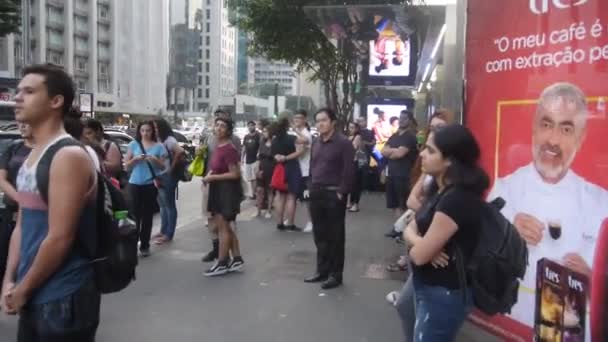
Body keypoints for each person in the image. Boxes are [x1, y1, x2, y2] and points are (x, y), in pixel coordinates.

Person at [487, 82, 608, 329]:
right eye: (546, 124)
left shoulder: (600, 201)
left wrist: (596, 282)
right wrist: (507, 233)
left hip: (572, 329)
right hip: (511, 325)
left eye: (566, 129)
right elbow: (477, 261)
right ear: (533, 129)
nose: (552, 140)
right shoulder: (505, 189)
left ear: (580, 137)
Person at [1, 64, 100, 340]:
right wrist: (9, 280)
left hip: (64, 297)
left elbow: (59, 237)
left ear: (56, 101)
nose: (17, 97)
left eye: (29, 91)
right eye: (18, 90)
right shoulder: (32, 155)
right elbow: (22, 226)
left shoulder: (68, 156)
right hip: (34, 293)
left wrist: (22, 289)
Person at [403, 124, 488, 341]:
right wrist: (421, 242)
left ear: (450, 159)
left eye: (431, 151)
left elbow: (418, 255)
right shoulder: (439, 188)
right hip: (426, 283)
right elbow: (410, 227)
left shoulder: (456, 199)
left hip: (443, 291)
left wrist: (420, 247)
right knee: (405, 308)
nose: (422, 154)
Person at [304, 108, 355, 290]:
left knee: (335, 236)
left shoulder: (343, 143)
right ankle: (322, 271)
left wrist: (342, 191)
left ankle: (336, 274)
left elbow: (349, 170)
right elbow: (312, 167)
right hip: (316, 193)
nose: (320, 124)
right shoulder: (316, 142)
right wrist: (310, 186)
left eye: (324, 120)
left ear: (333, 122)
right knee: (320, 235)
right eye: (317, 120)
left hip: (334, 194)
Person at [203, 117, 244, 276]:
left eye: (223, 126)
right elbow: (218, 168)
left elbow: (235, 174)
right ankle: (237, 257)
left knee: (223, 227)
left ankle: (222, 262)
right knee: (224, 226)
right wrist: (210, 175)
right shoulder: (218, 146)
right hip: (218, 190)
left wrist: (212, 178)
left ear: (228, 130)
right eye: (217, 125)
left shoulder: (229, 149)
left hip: (227, 192)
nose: (218, 128)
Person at [125, 121, 166, 258]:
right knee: (134, 216)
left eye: (148, 130)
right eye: (143, 130)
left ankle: (145, 245)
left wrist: (154, 159)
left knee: (147, 216)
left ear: (152, 131)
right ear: (139, 131)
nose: (145, 133)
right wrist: (135, 159)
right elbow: (126, 166)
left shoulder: (159, 146)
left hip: (149, 184)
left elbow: (162, 167)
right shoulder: (133, 145)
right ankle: (131, 245)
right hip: (134, 184)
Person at [0, 123, 32, 290]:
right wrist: (19, 197)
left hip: (35, 213)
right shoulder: (14, 148)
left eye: (27, 123)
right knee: (4, 252)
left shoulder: (46, 151)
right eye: (21, 123)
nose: (23, 126)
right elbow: (1, 179)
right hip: (11, 209)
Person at [382, 110, 418, 236]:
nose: (401, 120)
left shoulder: (410, 136)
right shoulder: (395, 136)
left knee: (404, 205)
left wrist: (391, 151)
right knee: (394, 204)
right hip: (391, 174)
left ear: (409, 120)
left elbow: (400, 154)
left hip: (404, 175)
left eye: (404, 118)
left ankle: (407, 232)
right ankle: (399, 229)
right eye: (400, 117)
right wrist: (394, 151)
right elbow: (383, 151)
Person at [153, 119, 185, 245]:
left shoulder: (169, 140)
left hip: (168, 176)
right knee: (162, 205)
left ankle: (169, 233)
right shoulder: (159, 141)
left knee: (169, 205)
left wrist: (170, 169)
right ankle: (163, 230)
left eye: (156, 128)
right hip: (159, 176)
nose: (154, 130)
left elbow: (180, 152)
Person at [271, 116, 301, 232]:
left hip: (279, 168)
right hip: (292, 167)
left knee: (280, 197)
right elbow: (306, 140)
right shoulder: (292, 138)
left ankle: (280, 223)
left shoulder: (274, 140)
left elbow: (273, 155)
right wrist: (296, 129)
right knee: (291, 197)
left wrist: (279, 157)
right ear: (287, 126)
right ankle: (291, 224)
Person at [291, 110, 314, 232]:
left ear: (305, 120)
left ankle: (311, 222)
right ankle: (289, 220)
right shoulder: (299, 134)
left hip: (306, 170)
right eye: (295, 118)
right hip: (299, 169)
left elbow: (303, 144)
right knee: (299, 197)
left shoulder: (306, 133)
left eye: (299, 118)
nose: (296, 120)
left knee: (307, 198)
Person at [255, 121, 275, 219]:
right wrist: (258, 169)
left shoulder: (275, 143)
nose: (264, 133)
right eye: (263, 131)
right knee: (259, 190)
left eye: (266, 131)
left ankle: (269, 210)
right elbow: (259, 156)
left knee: (270, 190)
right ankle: (258, 211)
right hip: (262, 168)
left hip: (271, 169)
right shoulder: (262, 142)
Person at [347, 122, 365, 212]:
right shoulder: (349, 137)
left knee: (356, 185)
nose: (351, 129)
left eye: (353, 127)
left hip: (356, 163)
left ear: (357, 129)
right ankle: (351, 202)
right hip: (350, 163)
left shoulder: (358, 137)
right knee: (351, 184)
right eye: (350, 127)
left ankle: (356, 204)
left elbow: (353, 148)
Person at [243, 120, 261, 201]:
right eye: (249, 125)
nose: (250, 127)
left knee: (255, 178)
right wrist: (242, 157)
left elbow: (261, 146)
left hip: (255, 160)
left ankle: (255, 194)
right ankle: (253, 193)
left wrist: (258, 155)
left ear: (255, 126)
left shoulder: (258, 135)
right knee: (249, 178)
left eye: (252, 125)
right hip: (248, 160)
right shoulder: (246, 136)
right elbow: (244, 148)